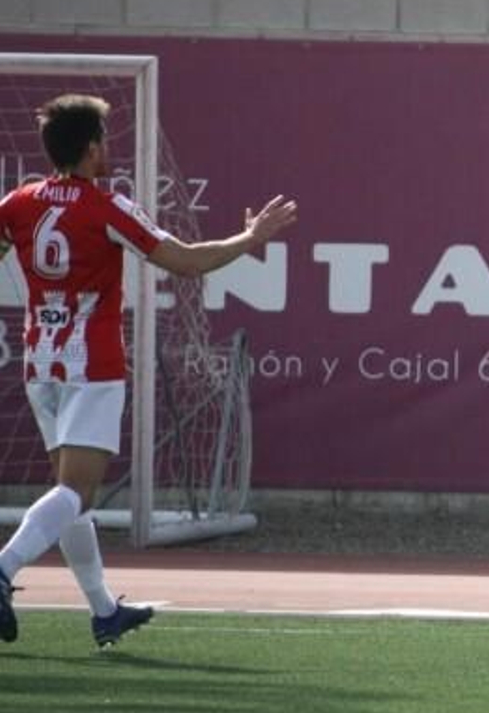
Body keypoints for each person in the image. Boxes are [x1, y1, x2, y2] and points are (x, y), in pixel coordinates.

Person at [0, 94, 297, 647]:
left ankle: (103, 610)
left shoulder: (17, 203)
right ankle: (4, 566)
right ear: (90, 148)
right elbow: (185, 260)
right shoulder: (104, 206)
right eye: (104, 142)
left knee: (71, 493)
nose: (108, 150)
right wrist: (250, 239)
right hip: (91, 364)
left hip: (40, 363)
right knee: (76, 493)